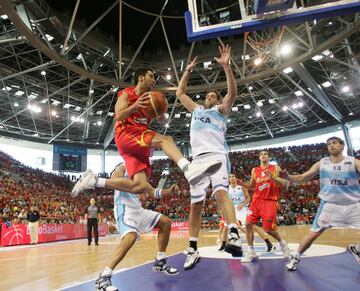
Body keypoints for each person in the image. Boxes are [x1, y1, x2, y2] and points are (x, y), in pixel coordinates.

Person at [71, 68, 222, 198]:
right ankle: (189, 169)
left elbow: (162, 122)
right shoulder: (127, 94)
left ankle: (94, 181)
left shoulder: (151, 99)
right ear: (141, 78)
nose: (154, 80)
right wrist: (134, 106)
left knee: (140, 186)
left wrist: (161, 116)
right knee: (166, 140)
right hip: (126, 133)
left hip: (135, 142)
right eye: (151, 76)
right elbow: (119, 115)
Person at [176, 43, 242, 270]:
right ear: (205, 99)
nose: (211, 97)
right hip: (198, 159)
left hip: (217, 155)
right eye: (209, 95)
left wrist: (227, 67)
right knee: (196, 205)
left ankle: (233, 232)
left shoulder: (221, 112)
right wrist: (187, 71)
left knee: (221, 192)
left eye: (214, 95)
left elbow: (232, 93)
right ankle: (192, 248)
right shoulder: (196, 110)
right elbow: (180, 93)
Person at [95, 164, 179, 291]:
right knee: (130, 237)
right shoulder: (122, 167)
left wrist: (169, 191)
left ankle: (160, 261)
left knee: (165, 222)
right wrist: (135, 186)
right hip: (124, 209)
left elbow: (153, 192)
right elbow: (113, 180)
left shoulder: (141, 172)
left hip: (138, 210)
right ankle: (104, 276)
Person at [280, 137, 360, 271]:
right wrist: (288, 177)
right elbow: (302, 178)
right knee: (313, 235)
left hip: (353, 205)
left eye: (334, 143)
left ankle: (356, 249)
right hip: (330, 206)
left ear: (342, 146)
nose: (331, 146)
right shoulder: (322, 163)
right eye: (329, 144)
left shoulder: (353, 162)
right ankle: (296, 256)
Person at [239, 150, 290, 262]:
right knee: (248, 224)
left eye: (265, 154)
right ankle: (251, 251)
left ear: (269, 157)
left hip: (269, 201)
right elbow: (252, 186)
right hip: (256, 201)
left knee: (267, 229)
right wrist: (242, 184)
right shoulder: (254, 170)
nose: (263, 155)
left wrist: (272, 178)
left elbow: (283, 184)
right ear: (259, 158)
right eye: (261, 154)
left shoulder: (275, 168)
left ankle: (282, 243)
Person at [218, 173, 274, 252]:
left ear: (235, 178)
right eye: (230, 177)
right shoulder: (226, 189)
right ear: (228, 180)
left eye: (233, 176)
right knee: (226, 227)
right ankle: (223, 245)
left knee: (253, 226)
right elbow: (224, 201)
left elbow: (248, 198)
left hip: (242, 209)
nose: (232, 178)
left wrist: (242, 205)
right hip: (231, 209)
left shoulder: (241, 187)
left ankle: (268, 243)